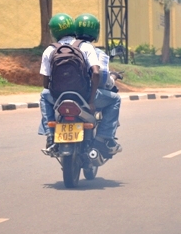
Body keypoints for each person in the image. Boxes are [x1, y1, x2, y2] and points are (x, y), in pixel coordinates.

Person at [39, 13, 122, 155]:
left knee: (43, 95)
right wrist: (90, 100)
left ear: (53, 32)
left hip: (59, 97)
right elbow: (96, 73)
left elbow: (46, 83)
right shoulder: (85, 47)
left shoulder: (50, 50)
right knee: (115, 99)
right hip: (84, 96)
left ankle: (50, 135)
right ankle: (103, 139)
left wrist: (57, 91)